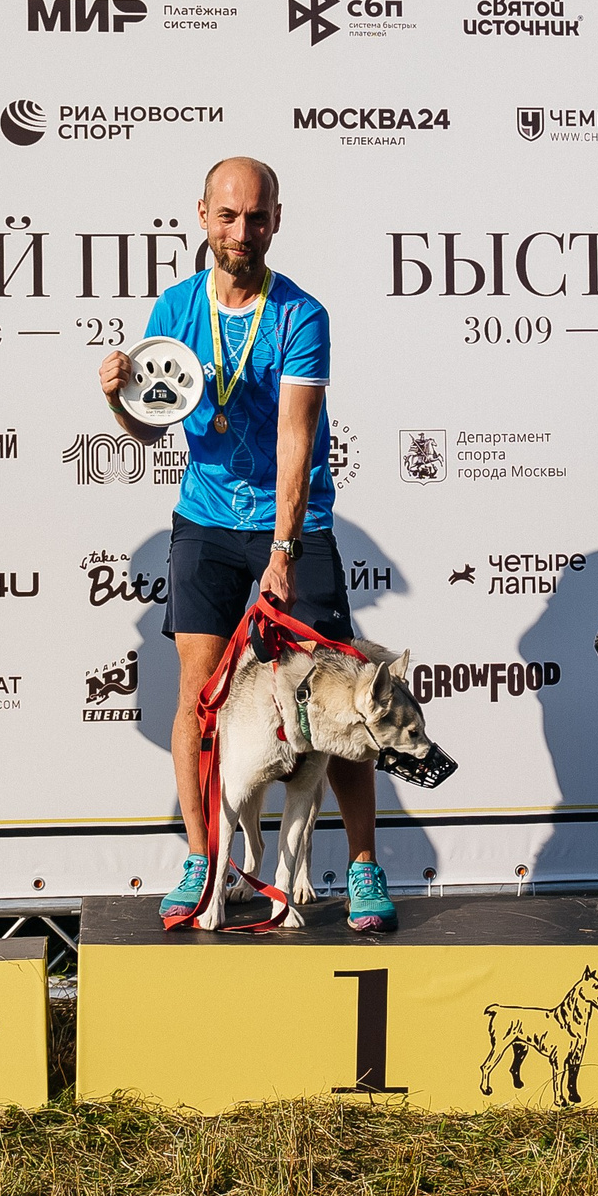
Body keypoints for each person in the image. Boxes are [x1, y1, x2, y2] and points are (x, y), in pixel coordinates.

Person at [97, 157, 393, 930]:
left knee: (343, 698)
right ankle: (204, 861)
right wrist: (116, 402)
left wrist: (284, 549)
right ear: (202, 216)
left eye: (256, 217)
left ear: (276, 220)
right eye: (227, 216)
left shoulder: (301, 316)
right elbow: (151, 422)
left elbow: (297, 439)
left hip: (293, 528)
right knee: (200, 696)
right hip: (203, 523)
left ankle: (362, 867)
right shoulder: (176, 305)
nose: (241, 231)